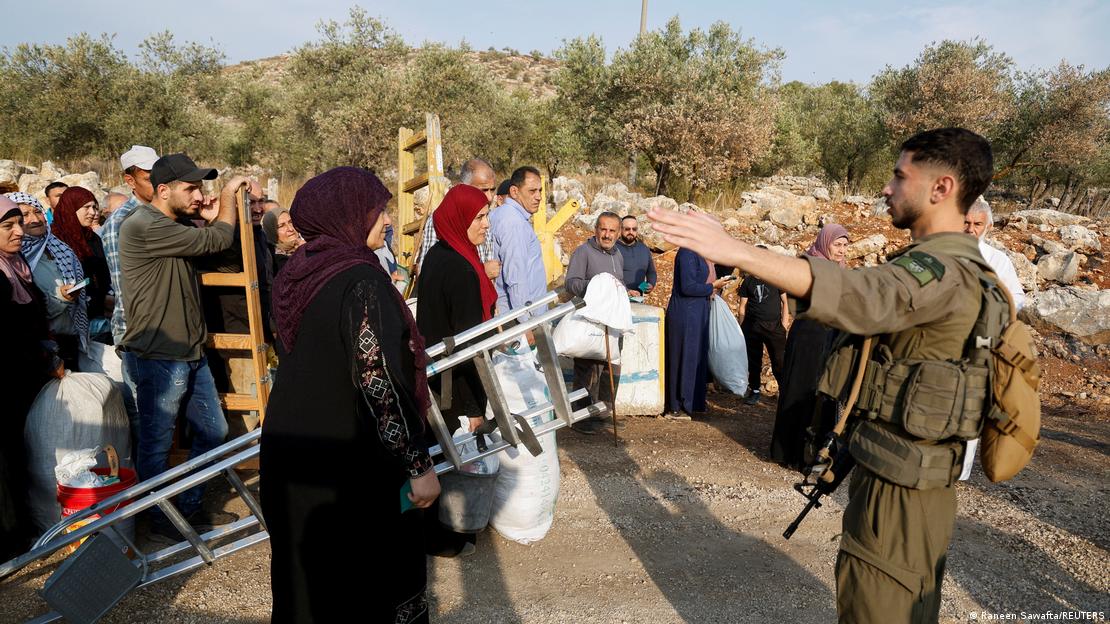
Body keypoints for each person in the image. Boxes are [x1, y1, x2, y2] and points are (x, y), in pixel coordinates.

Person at [649, 127, 996, 623]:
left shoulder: (939, 271)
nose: (886, 188)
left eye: (900, 176)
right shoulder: (953, 266)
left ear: (941, 189)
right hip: (900, 475)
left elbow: (858, 293)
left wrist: (739, 251)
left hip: (902, 491)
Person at [264, 167, 439, 623]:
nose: (385, 221)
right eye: (376, 211)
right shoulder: (361, 281)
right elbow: (377, 379)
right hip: (346, 460)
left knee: (308, 583)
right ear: (346, 217)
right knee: (370, 581)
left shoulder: (298, 273)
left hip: (292, 451)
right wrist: (418, 465)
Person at [119, 153, 251, 539]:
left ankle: (187, 511)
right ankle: (161, 522)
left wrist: (211, 220)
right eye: (191, 187)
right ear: (164, 190)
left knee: (213, 433)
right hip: (160, 355)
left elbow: (224, 260)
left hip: (189, 354)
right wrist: (227, 197)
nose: (199, 194)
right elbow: (219, 238)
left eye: (203, 187)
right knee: (156, 444)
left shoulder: (173, 226)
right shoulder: (144, 225)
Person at [416, 183, 496, 557]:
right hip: (454, 383)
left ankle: (426, 531)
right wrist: (477, 407)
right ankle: (441, 537)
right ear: (460, 218)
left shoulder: (438, 255)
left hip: (432, 374)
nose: (486, 224)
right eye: (479, 217)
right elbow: (470, 347)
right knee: (448, 458)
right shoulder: (462, 270)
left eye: (486, 215)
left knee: (432, 453)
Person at [0, 198, 57, 559]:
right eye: (8, 226)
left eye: (19, 223)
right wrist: (44, 358)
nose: (20, 231)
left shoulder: (16, 267)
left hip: (23, 380)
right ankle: (8, 543)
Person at [770, 223, 849, 471]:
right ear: (826, 243)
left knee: (824, 393)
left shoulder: (841, 270)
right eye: (837, 244)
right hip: (808, 337)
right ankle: (792, 452)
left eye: (845, 245)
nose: (842, 250)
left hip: (830, 337)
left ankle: (817, 452)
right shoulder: (809, 266)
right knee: (800, 391)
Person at [8, 191, 87, 370]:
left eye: (37, 212)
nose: (35, 219)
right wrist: (62, 298)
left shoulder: (59, 247)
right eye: (24, 215)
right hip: (44, 344)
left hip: (70, 337)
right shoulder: (15, 259)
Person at [565, 211, 626, 433]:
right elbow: (571, 283)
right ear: (596, 230)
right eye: (603, 229)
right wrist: (597, 287)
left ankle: (602, 413)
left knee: (612, 369)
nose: (607, 235)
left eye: (612, 230)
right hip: (589, 322)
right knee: (587, 370)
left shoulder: (617, 255)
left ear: (618, 233)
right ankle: (582, 417)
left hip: (612, 323)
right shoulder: (583, 252)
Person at [665, 244, 732, 419]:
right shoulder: (687, 252)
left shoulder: (701, 253)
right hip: (687, 312)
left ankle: (692, 402)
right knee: (685, 357)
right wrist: (712, 286)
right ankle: (677, 405)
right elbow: (687, 286)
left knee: (695, 357)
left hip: (698, 311)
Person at [415, 158, 499, 278]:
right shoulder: (441, 221)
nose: (490, 197)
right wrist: (481, 271)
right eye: (484, 190)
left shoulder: (486, 217)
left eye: (492, 190)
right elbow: (429, 274)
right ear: (463, 187)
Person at [51, 186, 112, 343]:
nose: (93, 212)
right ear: (71, 208)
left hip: (100, 317)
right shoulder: (55, 241)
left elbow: (103, 275)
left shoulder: (93, 239)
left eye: (95, 207)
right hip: (67, 322)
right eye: (86, 207)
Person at [490, 166, 546, 316]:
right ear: (514, 192)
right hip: (521, 316)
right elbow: (515, 278)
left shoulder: (500, 214)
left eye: (540, 190)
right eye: (532, 191)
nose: (539, 196)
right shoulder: (514, 223)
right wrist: (525, 322)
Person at [737, 251, 790, 406]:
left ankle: (784, 391)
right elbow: (742, 307)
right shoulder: (748, 281)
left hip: (774, 327)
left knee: (779, 360)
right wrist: (742, 328)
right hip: (752, 327)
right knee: (754, 361)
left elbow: (785, 302)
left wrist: (784, 323)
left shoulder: (775, 278)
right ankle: (754, 390)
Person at [964, 196, 1025, 310]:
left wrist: (994, 315)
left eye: (977, 224)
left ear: (989, 227)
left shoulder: (998, 260)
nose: (970, 229)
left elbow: (1017, 298)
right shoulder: (943, 251)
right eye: (966, 223)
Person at [616, 215, 657, 295]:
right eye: (627, 229)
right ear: (620, 230)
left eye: (634, 229)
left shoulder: (644, 248)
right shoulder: (613, 248)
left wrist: (651, 284)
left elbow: (651, 272)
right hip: (618, 298)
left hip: (638, 299)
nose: (631, 232)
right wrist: (627, 291)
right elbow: (610, 276)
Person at [261, 205, 303, 277]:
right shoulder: (275, 259)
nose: (290, 229)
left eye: (290, 222)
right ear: (272, 232)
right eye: (281, 226)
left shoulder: (306, 245)